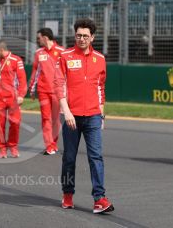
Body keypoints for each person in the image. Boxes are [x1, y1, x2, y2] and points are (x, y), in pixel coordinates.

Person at [54, 18, 114, 214]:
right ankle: (67, 194)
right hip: (71, 116)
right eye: (78, 35)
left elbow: (101, 89)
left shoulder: (100, 59)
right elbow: (59, 86)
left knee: (96, 157)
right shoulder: (65, 56)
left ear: (92, 37)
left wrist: (102, 115)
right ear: (75, 35)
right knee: (69, 158)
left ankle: (99, 199)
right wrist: (67, 111)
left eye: (85, 36)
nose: (81, 39)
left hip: (94, 116)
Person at [29, 28, 64, 155]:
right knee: (45, 118)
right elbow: (35, 72)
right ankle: (49, 145)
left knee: (56, 120)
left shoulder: (61, 51)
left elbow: (66, 73)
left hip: (57, 92)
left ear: (45, 37)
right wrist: (32, 89)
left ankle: (54, 143)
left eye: (39, 38)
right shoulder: (38, 53)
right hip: (43, 91)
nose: (38, 40)